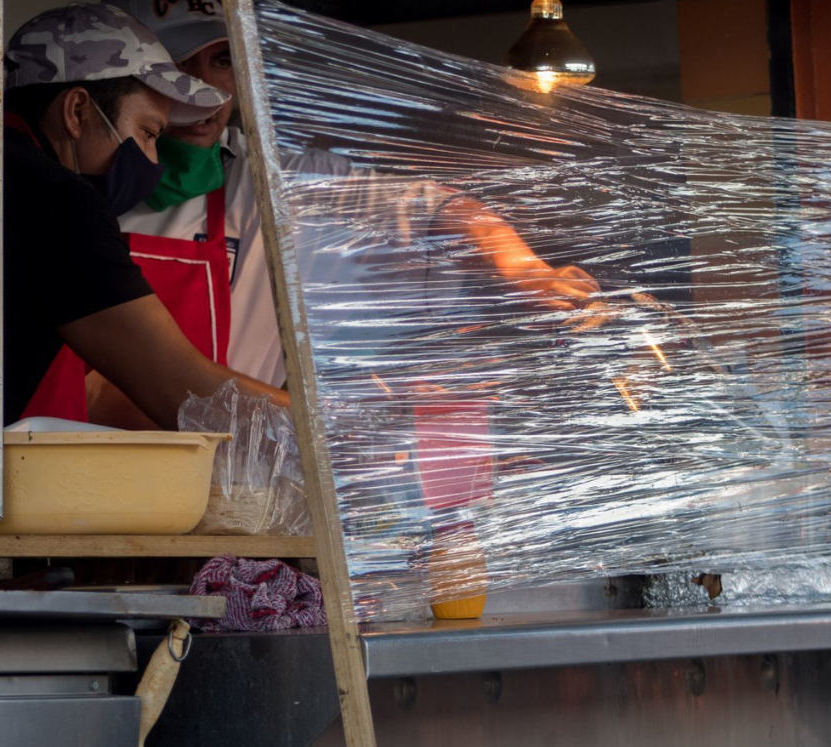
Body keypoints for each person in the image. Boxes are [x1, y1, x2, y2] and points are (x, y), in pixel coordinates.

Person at [87, 0, 601, 429]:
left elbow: (438, 208)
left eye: (223, 60)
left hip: (230, 478)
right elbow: (98, 387)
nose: (204, 92)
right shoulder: (79, 191)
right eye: (178, 65)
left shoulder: (271, 181)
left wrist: (530, 275)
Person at [2, 3, 287, 429]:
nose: (152, 161)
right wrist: (334, 430)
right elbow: (179, 387)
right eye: (148, 134)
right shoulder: (58, 202)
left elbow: (94, 389)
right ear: (77, 111)